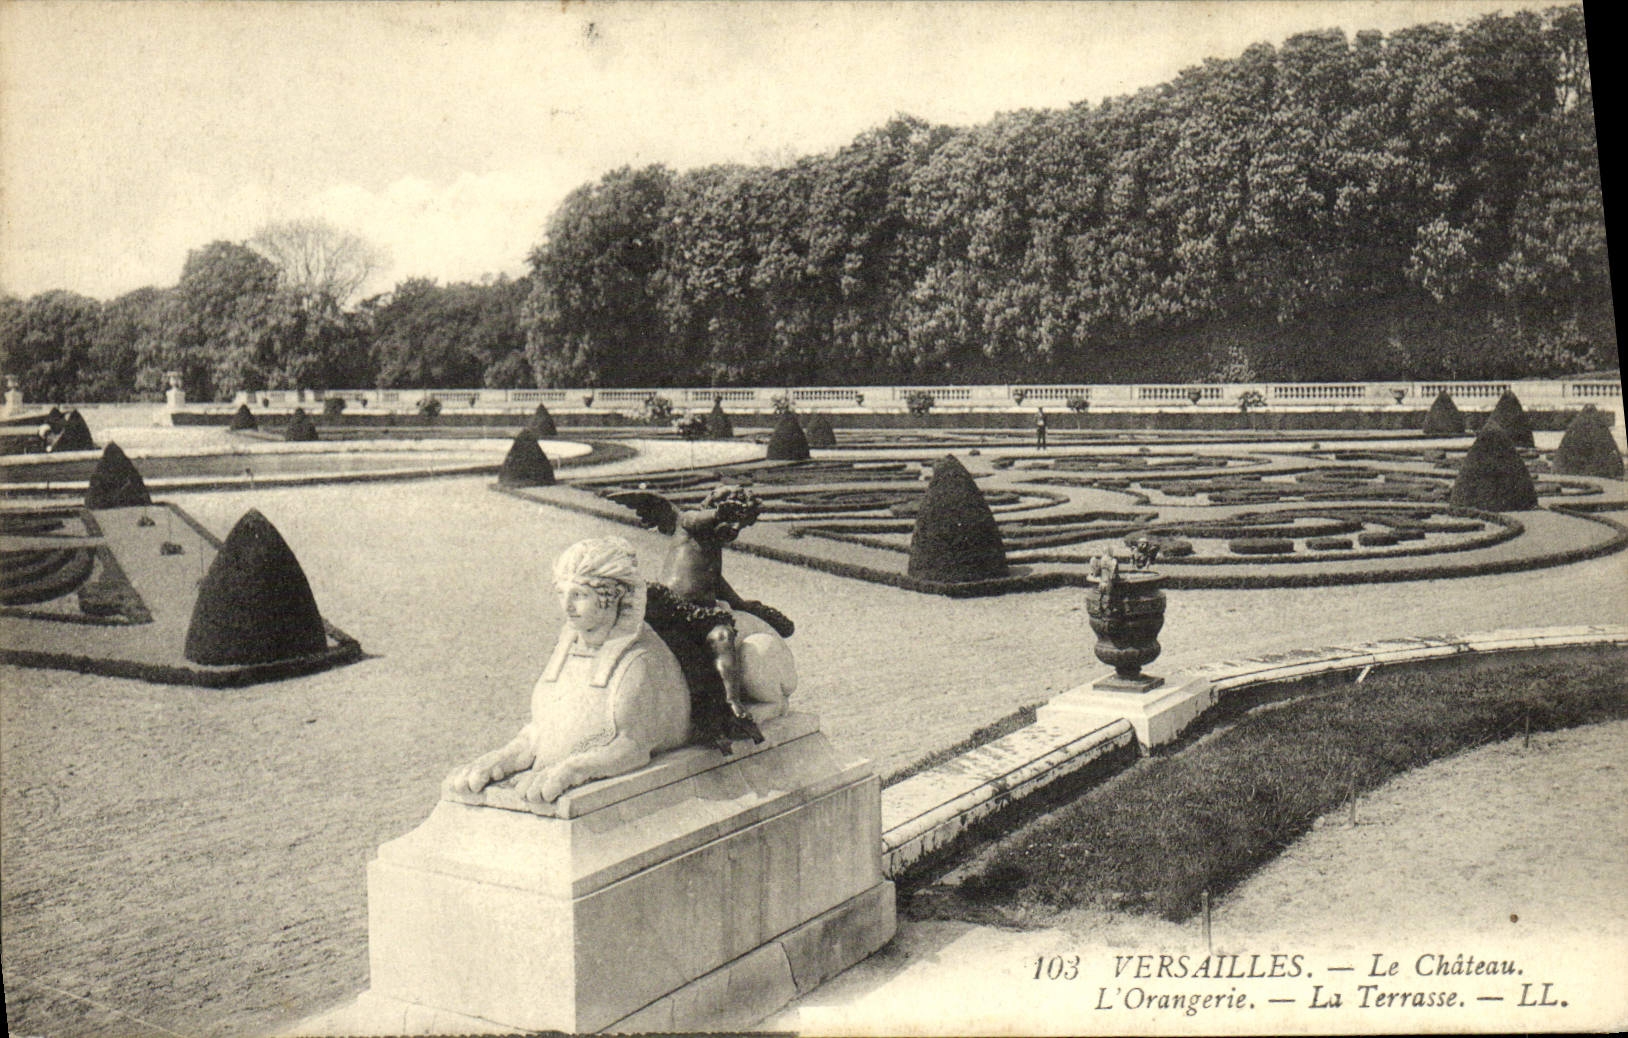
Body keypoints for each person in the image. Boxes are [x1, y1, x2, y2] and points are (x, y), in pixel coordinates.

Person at [444, 537, 689, 805]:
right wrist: (500, 758)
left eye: (580, 595)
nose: (567, 606)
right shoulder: (568, 644)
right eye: (562, 593)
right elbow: (544, 729)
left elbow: (632, 746)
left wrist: (572, 771)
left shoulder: (640, 661)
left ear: (615, 595)